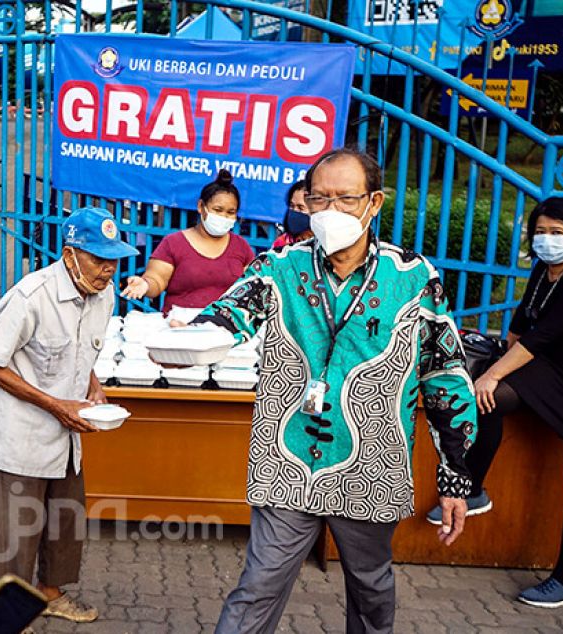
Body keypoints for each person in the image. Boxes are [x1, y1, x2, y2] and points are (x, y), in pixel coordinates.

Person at [175, 148, 476, 633]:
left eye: (344, 198)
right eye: (318, 199)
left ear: (374, 203)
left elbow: (444, 374)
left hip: (371, 465)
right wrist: (190, 338)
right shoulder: (280, 267)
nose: (329, 211)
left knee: (371, 588)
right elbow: (230, 312)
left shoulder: (414, 277)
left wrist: (456, 475)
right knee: (258, 585)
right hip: (289, 460)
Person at [426, 198, 563, 608]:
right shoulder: (543, 271)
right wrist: (498, 368)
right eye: (540, 232)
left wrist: (495, 371)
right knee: (489, 399)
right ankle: (473, 489)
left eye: (557, 233)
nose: (546, 240)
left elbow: (542, 338)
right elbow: (520, 331)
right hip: (555, 371)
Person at [0, 207, 139, 625]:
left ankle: (50, 595)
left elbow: (79, 349)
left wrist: (93, 385)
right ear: (70, 255)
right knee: (17, 531)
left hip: (68, 428)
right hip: (22, 431)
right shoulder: (33, 296)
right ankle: (5, 616)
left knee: (64, 520)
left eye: (114, 260)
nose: (108, 270)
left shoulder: (103, 294)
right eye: (98, 259)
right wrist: (55, 405)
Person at [121, 170, 256, 313]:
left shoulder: (241, 247)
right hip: (179, 328)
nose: (224, 216)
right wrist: (145, 284)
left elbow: (251, 285)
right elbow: (157, 279)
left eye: (230, 212)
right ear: (200, 207)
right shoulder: (173, 243)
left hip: (226, 329)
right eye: (217, 210)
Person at [272, 179, 313, 248]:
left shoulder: (324, 245)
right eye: (292, 206)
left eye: (300, 208)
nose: (294, 211)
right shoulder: (282, 243)